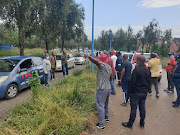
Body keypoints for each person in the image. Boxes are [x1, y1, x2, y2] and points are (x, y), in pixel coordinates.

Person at [84, 53, 112, 130]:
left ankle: (101, 124)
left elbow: (96, 62)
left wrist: (89, 57)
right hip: (108, 87)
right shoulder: (109, 66)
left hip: (102, 88)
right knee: (106, 104)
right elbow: (111, 76)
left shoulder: (102, 65)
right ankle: (106, 117)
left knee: (100, 105)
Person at [122, 56, 150, 128]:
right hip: (144, 92)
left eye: (137, 60)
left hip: (136, 92)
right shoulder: (147, 70)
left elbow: (132, 82)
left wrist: (130, 92)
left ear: (139, 61)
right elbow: (149, 81)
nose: (136, 61)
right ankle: (142, 123)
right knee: (142, 108)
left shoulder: (136, 70)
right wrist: (148, 90)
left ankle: (130, 124)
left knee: (133, 108)